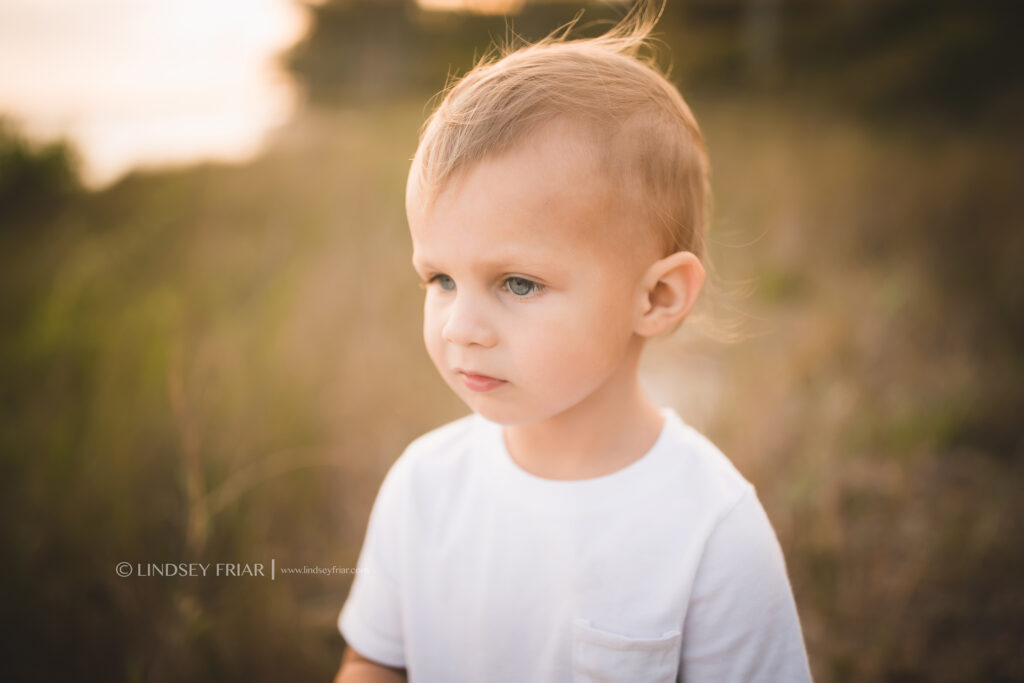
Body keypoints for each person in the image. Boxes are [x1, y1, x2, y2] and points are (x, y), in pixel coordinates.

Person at [335, 1, 812, 681]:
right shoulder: (425, 485)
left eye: (518, 283)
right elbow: (375, 659)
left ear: (657, 297)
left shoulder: (712, 532)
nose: (459, 327)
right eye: (440, 279)